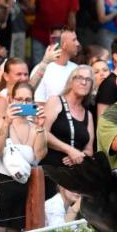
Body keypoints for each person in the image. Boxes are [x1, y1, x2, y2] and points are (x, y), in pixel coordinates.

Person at [0, 83, 47, 232]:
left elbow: (38, 156)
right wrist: (7, 123)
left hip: (20, 189)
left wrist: (41, 127)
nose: (23, 104)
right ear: (10, 100)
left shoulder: (34, 127)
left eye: (27, 100)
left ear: (33, 103)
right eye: (19, 99)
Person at [42, 65, 94, 196]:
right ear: (71, 81)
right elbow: (43, 133)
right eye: (80, 78)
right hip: (51, 170)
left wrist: (78, 157)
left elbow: (89, 150)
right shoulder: (56, 101)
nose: (84, 82)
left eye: (88, 80)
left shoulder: (88, 114)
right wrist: (69, 150)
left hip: (74, 174)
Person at [30, 0, 79, 66]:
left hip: (59, 37)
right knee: (38, 65)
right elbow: (36, 10)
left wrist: (72, 37)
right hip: (39, 35)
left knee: (57, 65)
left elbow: (72, 18)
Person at [34, 29, 79, 106]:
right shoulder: (41, 69)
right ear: (64, 45)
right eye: (74, 40)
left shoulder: (77, 69)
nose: (78, 43)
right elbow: (38, 103)